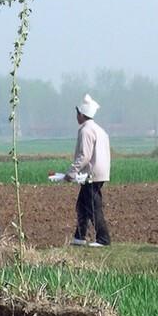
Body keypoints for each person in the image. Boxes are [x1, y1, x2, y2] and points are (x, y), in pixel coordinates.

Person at [64, 94, 111, 247]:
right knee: (82, 204)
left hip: (92, 174)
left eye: (77, 113)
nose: (76, 116)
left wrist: (71, 172)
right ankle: (79, 236)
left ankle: (103, 239)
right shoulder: (98, 129)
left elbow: (84, 155)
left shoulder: (86, 131)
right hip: (98, 173)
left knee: (92, 205)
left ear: (82, 114)